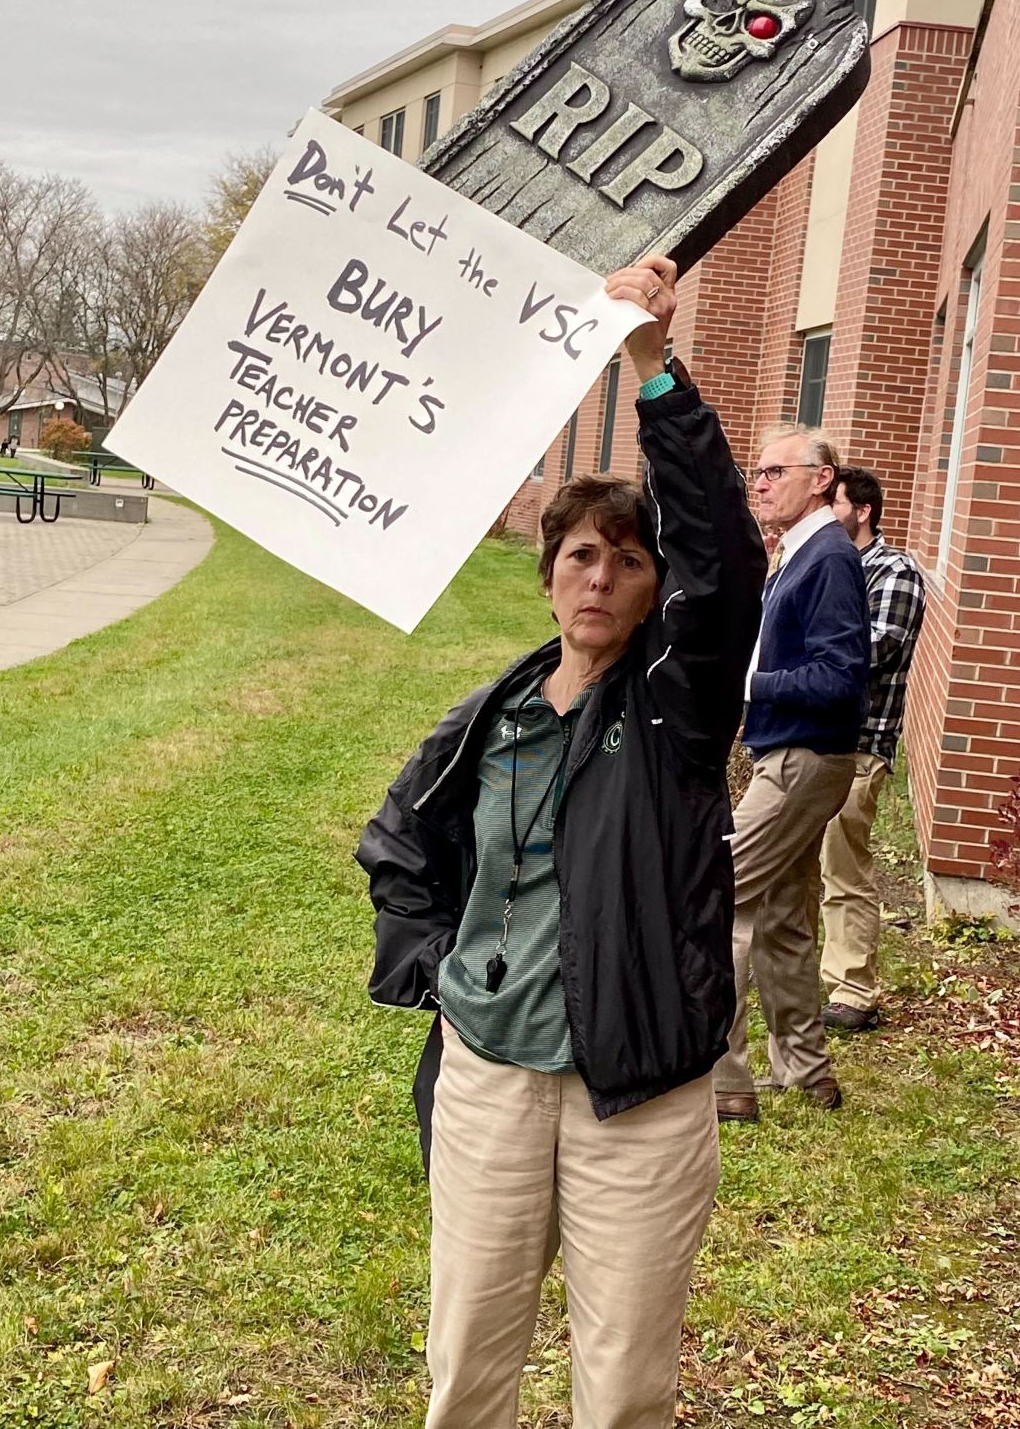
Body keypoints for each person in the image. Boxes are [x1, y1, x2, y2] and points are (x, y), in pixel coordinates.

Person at [356, 254, 766, 1429]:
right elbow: (400, 849)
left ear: (651, 590)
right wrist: (436, 971)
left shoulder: (678, 708)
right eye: (579, 554)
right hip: (489, 1082)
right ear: (547, 579)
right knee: (467, 1366)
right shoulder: (493, 714)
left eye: (627, 560)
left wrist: (649, 362)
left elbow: (727, 557)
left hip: (631, 1099)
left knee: (624, 1382)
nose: (600, 575)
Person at [713, 425, 870, 1122]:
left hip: (804, 761)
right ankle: (806, 1074)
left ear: (822, 478)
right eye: (757, 471)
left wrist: (755, 684)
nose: (762, 482)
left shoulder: (828, 557)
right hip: (796, 757)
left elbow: (842, 675)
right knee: (783, 918)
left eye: (777, 470)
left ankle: (721, 1083)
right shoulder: (800, 554)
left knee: (713, 896)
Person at [818, 467, 926, 1032]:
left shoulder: (895, 571)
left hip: (860, 745)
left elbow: (875, 649)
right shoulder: (824, 565)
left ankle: (854, 990)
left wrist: (809, 638)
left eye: (831, 502)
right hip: (810, 740)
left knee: (843, 868)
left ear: (861, 510)